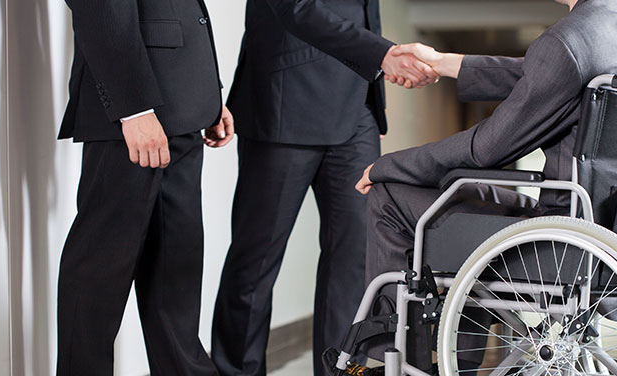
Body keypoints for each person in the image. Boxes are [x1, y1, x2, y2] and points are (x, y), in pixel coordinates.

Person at [355, 0, 617, 370]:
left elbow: (486, 148)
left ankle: (395, 361)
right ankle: (455, 360)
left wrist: (389, 164)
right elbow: (545, 75)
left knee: (390, 195)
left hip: (563, 247)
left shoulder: (570, 39)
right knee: (474, 196)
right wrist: (444, 62)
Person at [210, 1, 438, 375]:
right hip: (283, 102)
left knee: (354, 261)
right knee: (256, 258)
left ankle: (340, 370)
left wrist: (374, 104)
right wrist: (383, 54)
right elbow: (295, 8)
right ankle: (236, 371)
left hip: (357, 112)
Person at [56, 0, 234, 374]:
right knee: (99, 271)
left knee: (176, 271)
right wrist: (133, 108)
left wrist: (209, 91)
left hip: (183, 102)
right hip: (134, 111)